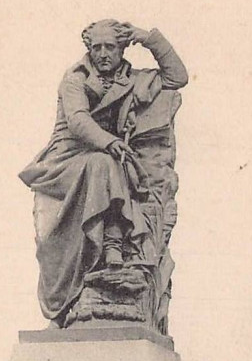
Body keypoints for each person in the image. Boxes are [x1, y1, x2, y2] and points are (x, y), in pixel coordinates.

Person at [19, 20, 188, 325]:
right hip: (66, 161)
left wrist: (148, 38)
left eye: (110, 47)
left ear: (122, 49)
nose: (102, 54)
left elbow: (177, 77)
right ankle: (108, 245)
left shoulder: (130, 80)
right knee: (103, 163)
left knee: (117, 167)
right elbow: (79, 121)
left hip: (108, 159)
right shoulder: (75, 79)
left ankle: (117, 248)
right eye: (96, 48)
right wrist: (110, 142)